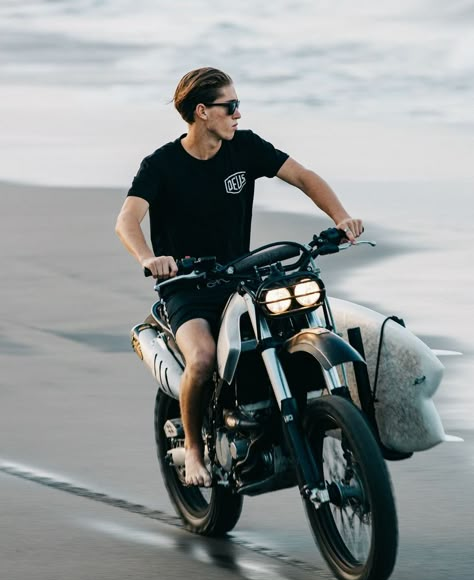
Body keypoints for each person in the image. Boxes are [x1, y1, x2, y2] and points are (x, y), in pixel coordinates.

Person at [115, 67, 363, 488]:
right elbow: (127, 219)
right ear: (201, 113)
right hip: (186, 287)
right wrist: (150, 257)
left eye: (237, 106)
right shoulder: (161, 165)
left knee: (295, 324)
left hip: (240, 277)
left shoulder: (244, 148)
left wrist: (341, 218)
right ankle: (194, 450)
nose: (238, 115)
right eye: (229, 107)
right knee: (204, 358)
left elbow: (303, 176)